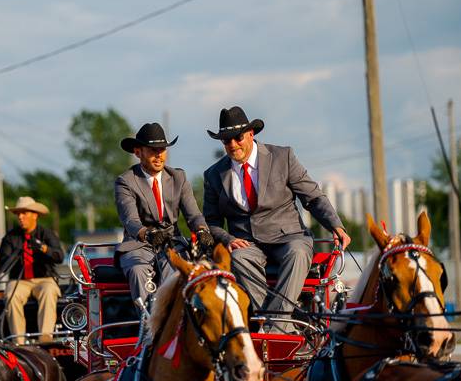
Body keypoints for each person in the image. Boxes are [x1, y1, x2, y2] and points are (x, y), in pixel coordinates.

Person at [203, 106, 351, 331]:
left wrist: (335, 225)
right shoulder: (214, 174)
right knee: (237, 257)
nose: (232, 145)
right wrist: (227, 238)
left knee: (299, 252)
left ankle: (274, 326)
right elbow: (211, 222)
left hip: (288, 236)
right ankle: (282, 327)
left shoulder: (283, 157)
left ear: (251, 134)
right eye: (225, 141)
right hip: (247, 243)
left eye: (237, 138)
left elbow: (312, 196)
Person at [115, 122, 215, 307]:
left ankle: (174, 325)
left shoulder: (179, 177)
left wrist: (202, 231)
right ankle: (149, 328)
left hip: (171, 244)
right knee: (138, 271)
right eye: (153, 150)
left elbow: (193, 215)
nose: (159, 155)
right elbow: (130, 220)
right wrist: (148, 234)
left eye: (162, 149)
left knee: (177, 269)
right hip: (139, 245)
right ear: (138, 152)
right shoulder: (126, 182)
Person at [0, 196, 64, 343]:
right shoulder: (10, 238)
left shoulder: (47, 234)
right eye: (18, 214)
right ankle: (18, 342)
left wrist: (44, 248)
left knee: (49, 291)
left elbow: (59, 256)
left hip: (44, 279)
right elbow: (1, 266)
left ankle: (45, 339)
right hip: (19, 281)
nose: (20, 217)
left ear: (35, 215)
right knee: (11, 295)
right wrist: (15, 255)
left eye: (24, 213)